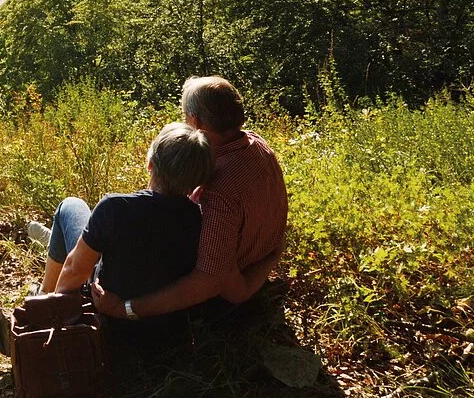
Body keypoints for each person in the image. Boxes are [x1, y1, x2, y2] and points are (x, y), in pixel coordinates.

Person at [91, 75, 289, 323]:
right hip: (252, 262)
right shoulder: (256, 143)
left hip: (213, 302)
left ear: (196, 121)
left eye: (185, 116)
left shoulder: (218, 189)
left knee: (96, 227)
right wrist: (270, 259)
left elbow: (211, 281)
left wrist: (127, 308)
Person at [34, 121, 215, 347]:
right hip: (162, 336)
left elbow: (74, 269)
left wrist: (56, 315)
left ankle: (43, 296)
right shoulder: (199, 219)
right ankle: (59, 243)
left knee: (71, 206)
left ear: (150, 164)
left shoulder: (114, 208)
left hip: (107, 322)